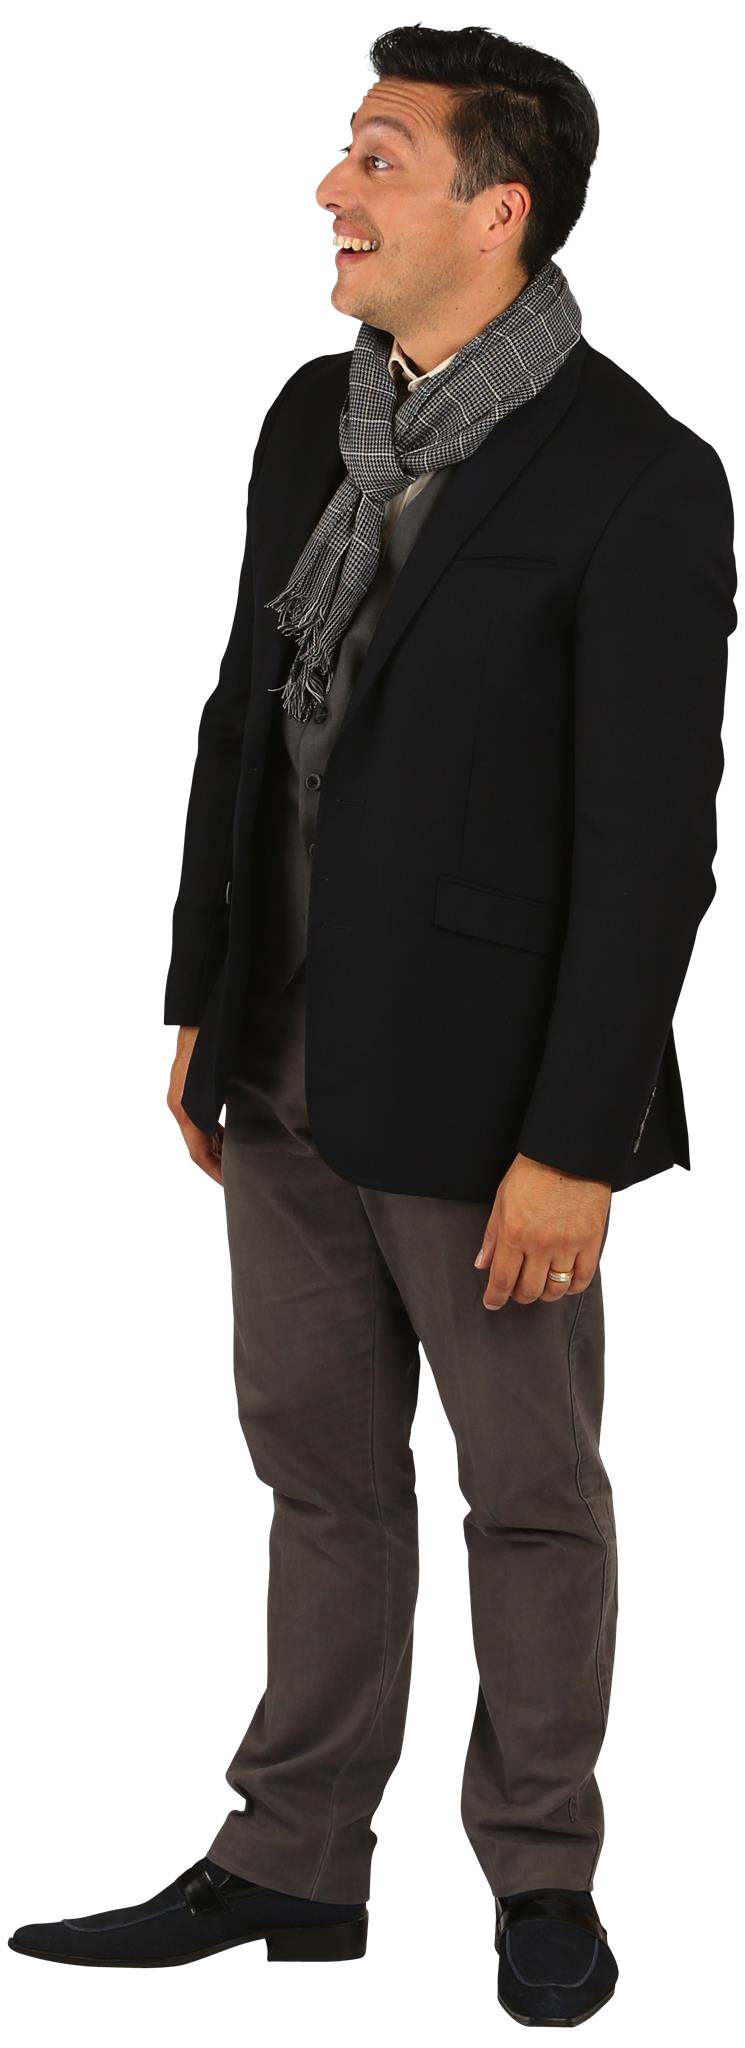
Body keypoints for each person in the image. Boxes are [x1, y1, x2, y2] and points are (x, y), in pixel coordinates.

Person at [10, 26, 734, 2013]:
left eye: (380, 158)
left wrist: (578, 1139)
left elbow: (650, 848)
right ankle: (292, 1858)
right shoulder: (306, 424)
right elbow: (238, 727)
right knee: (317, 1473)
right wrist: (197, 996)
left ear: (500, 211)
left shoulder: (641, 474)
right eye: (346, 151)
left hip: (495, 1097)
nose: (334, 190)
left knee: (532, 1493)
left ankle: (543, 1879)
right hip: (275, 1058)